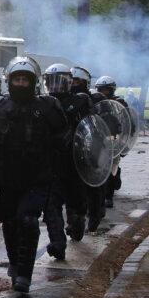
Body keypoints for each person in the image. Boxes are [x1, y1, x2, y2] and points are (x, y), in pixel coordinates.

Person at [0, 57, 66, 292]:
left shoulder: (48, 105)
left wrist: (53, 146)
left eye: (25, 79)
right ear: (10, 80)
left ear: (33, 82)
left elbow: (65, 134)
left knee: (29, 220)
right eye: (17, 79)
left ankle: (25, 274)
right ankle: (15, 263)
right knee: (11, 223)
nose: (21, 83)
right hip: (6, 175)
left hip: (38, 176)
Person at [41, 64, 93, 256]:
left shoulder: (80, 101)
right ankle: (58, 243)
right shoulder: (41, 103)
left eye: (58, 81)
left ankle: (77, 223)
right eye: (50, 81)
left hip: (73, 160)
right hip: (50, 161)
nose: (54, 86)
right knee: (51, 205)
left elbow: (91, 129)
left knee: (76, 201)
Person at [91, 76, 127, 209]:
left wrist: (123, 141)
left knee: (112, 167)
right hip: (97, 141)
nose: (105, 93)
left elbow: (127, 122)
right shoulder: (94, 102)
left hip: (113, 140)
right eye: (102, 90)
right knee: (98, 167)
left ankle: (109, 196)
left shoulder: (119, 103)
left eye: (107, 90)